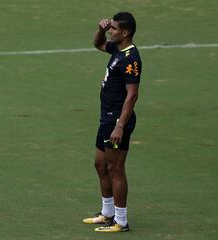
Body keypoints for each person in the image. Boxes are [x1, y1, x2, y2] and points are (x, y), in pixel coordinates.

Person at [82, 12, 142, 233]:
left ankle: (121, 221)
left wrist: (120, 125)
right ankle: (107, 213)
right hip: (106, 118)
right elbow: (98, 43)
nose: (110, 31)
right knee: (100, 165)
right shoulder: (117, 49)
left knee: (115, 169)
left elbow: (132, 95)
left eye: (114, 28)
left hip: (117, 121)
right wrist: (100, 28)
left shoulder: (131, 58)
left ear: (125, 32)